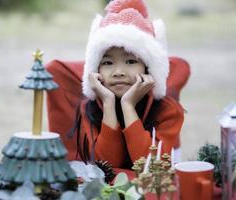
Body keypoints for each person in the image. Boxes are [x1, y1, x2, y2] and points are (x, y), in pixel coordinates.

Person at [68, 0, 184, 169]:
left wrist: (128, 106)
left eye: (130, 61)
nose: (118, 72)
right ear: (95, 69)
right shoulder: (89, 110)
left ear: (148, 68)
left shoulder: (168, 111)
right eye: (107, 63)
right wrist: (108, 104)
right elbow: (107, 166)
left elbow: (150, 167)